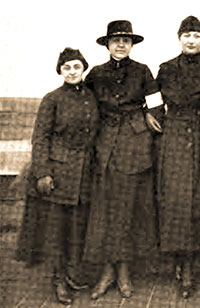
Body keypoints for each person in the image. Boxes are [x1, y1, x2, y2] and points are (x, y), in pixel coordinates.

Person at [83, 20, 160, 300]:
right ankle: (107, 272)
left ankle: (124, 271)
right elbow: (84, 106)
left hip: (134, 145)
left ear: (132, 44)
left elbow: (157, 105)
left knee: (127, 211)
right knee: (104, 213)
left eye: (125, 40)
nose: (120, 45)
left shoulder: (142, 72)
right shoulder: (96, 74)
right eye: (115, 40)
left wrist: (149, 116)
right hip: (104, 147)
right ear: (107, 44)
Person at [16, 48, 99, 305]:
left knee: (76, 226)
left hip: (84, 172)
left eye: (76, 67)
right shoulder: (51, 99)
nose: (72, 72)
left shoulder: (91, 96)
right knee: (56, 229)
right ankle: (58, 279)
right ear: (60, 72)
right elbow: (40, 138)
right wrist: (43, 173)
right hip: (58, 174)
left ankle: (72, 273)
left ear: (83, 68)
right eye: (67, 68)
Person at [147, 16, 200, 299]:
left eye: (196, 36)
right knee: (174, 200)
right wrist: (150, 114)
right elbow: (153, 98)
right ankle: (177, 259)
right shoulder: (165, 68)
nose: (191, 40)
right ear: (179, 38)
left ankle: (190, 264)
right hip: (172, 137)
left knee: (197, 200)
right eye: (186, 35)